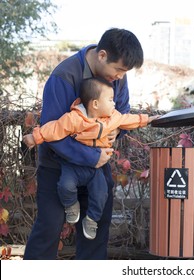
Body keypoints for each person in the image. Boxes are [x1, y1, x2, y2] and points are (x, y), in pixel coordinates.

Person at [24, 28, 146, 259]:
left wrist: (116, 131)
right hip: (57, 169)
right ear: (102, 56)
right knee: (48, 232)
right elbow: (53, 131)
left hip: (97, 171)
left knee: (96, 235)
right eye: (118, 69)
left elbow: (122, 110)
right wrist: (90, 156)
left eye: (124, 72)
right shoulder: (64, 76)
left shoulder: (117, 77)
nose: (120, 76)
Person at [23, 77, 157, 240]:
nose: (114, 104)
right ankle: (71, 205)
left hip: (96, 167)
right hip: (74, 164)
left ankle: (92, 219)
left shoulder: (113, 117)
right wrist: (34, 137)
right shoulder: (75, 118)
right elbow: (54, 129)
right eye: (110, 100)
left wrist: (148, 119)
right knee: (65, 186)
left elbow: (129, 119)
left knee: (101, 193)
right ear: (95, 104)